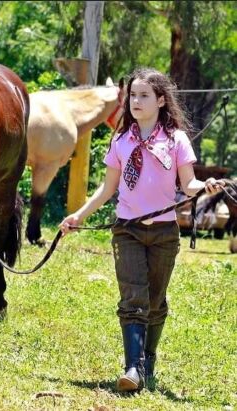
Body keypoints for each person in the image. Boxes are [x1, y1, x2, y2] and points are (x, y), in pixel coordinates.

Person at [59, 68, 223, 392]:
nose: (136, 101)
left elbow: (187, 183)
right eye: (133, 95)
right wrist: (77, 216)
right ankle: (132, 368)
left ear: (161, 100)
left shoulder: (176, 139)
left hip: (164, 233)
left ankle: (148, 358)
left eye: (144, 95)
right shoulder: (120, 140)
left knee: (156, 302)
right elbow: (106, 190)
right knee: (133, 298)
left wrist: (205, 185)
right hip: (128, 231)